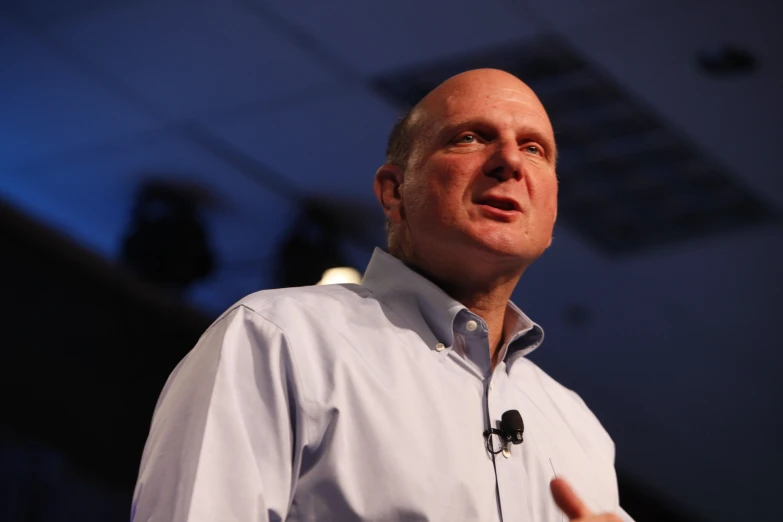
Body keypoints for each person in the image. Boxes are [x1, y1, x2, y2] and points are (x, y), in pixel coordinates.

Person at [131, 68, 633, 522]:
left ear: (551, 208)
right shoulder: (280, 339)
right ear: (394, 192)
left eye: (534, 149)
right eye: (470, 138)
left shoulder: (578, 431)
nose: (508, 161)